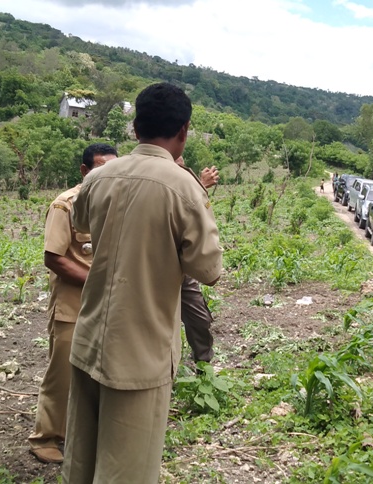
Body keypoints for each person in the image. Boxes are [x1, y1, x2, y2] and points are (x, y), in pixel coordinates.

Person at [63, 82, 223, 483]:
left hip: (90, 338)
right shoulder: (184, 186)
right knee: (126, 470)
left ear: (134, 128)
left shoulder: (100, 176)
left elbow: (80, 222)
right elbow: (209, 270)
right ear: (184, 131)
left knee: (81, 460)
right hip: (141, 352)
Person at [28, 143, 116, 464]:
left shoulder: (116, 206)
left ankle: (82, 435)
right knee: (61, 375)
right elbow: (54, 257)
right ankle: (45, 438)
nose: (107, 175)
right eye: (100, 168)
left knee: (98, 375)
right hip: (71, 307)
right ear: (84, 171)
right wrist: (97, 282)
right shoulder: (65, 206)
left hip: (106, 309)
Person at [175, 156, 220, 364]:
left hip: (182, 269)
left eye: (182, 164)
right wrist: (201, 187)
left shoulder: (185, 181)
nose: (180, 165)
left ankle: (203, 366)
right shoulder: (153, 183)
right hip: (157, 267)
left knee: (199, 319)